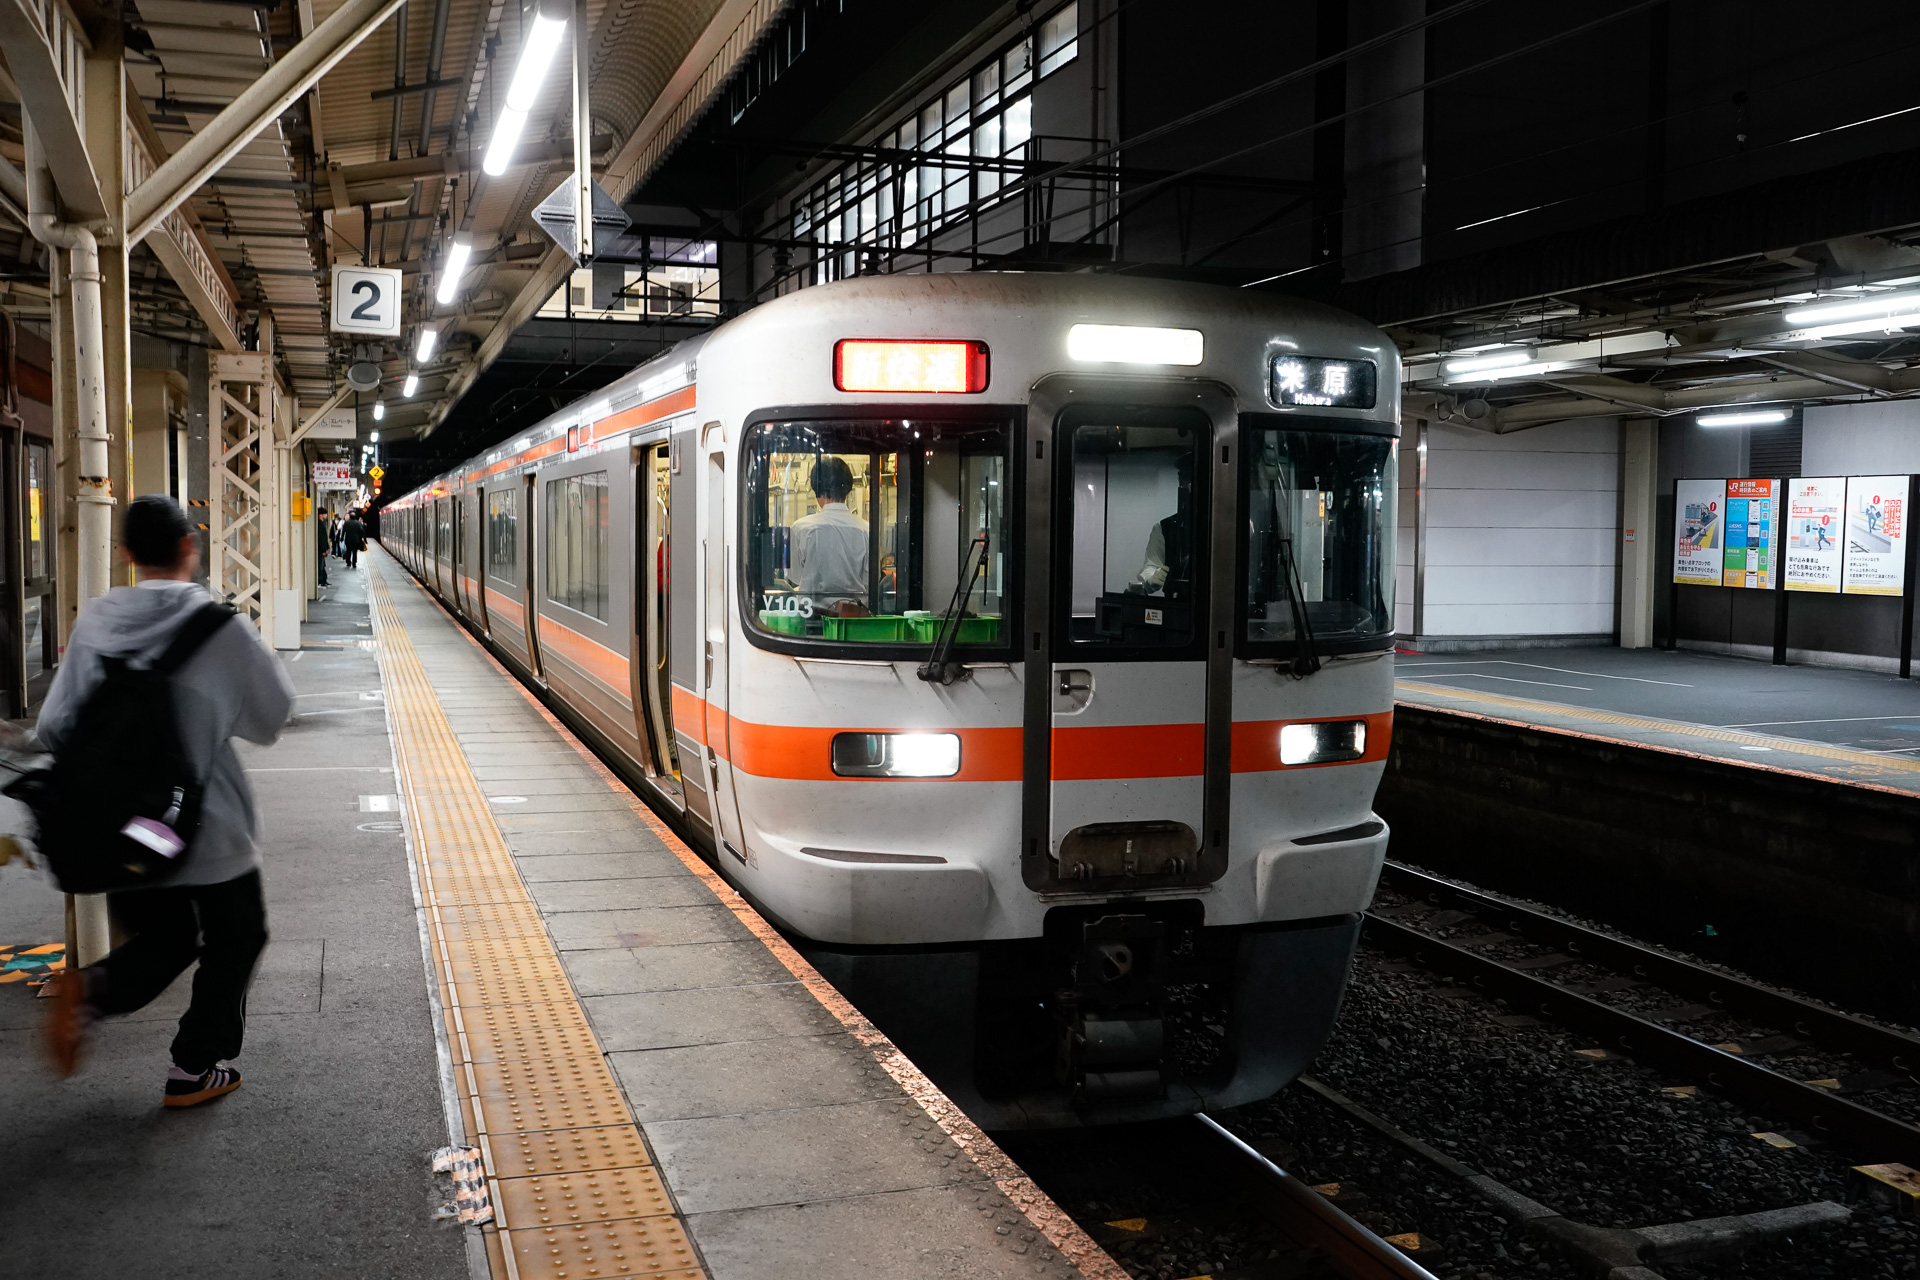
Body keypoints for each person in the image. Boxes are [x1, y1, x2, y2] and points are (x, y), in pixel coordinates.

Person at [43, 494, 295, 1107]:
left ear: (127, 554)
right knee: (238, 936)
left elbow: (55, 724)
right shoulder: (219, 626)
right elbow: (272, 716)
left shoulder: (98, 622)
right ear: (190, 546)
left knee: (167, 938)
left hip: (125, 831)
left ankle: (93, 991)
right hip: (207, 829)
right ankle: (193, 1066)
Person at [789, 458, 868, 610]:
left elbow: (795, 576)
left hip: (810, 616)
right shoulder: (866, 529)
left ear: (816, 490)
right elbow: (869, 580)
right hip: (854, 619)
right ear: (848, 490)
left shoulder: (800, 528)